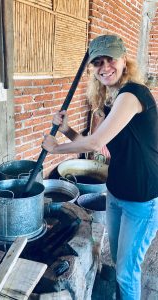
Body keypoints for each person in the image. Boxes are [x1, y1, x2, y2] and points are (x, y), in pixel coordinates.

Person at [42, 34, 158, 300]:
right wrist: (66, 130)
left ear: (124, 60)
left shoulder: (132, 95)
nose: (105, 67)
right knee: (119, 263)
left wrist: (55, 148)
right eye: (97, 62)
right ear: (92, 68)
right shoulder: (112, 99)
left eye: (111, 59)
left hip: (143, 198)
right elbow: (96, 144)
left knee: (127, 272)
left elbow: (95, 143)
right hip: (116, 193)